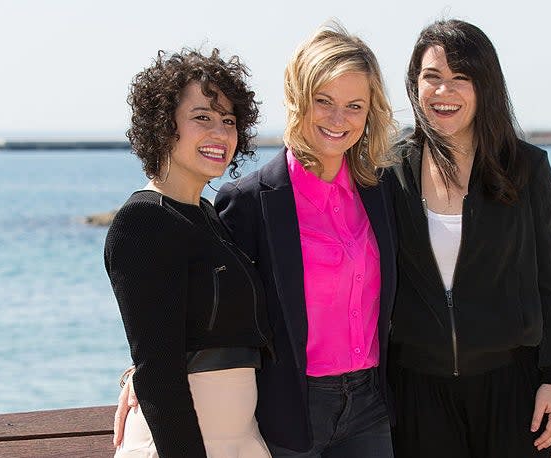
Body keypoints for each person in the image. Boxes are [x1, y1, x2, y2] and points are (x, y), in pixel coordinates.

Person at [114, 23, 399, 457]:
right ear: (298, 99)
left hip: (368, 406)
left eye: (354, 105)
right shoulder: (245, 202)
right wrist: (141, 372)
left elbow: (219, 306)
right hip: (287, 410)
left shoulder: (381, 195)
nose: (338, 119)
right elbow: (171, 327)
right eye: (323, 101)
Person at [386, 19, 551, 457]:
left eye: (460, 78)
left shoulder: (526, 168)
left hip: (512, 387)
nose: (443, 92)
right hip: (416, 388)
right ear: (414, 86)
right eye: (431, 78)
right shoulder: (388, 171)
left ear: (484, 86)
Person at [105, 48, 271, 458]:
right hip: (183, 444)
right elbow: (159, 372)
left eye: (229, 120)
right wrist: (140, 373)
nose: (220, 132)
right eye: (202, 117)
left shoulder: (208, 216)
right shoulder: (143, 222)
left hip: (240, 438)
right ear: (163, 126)